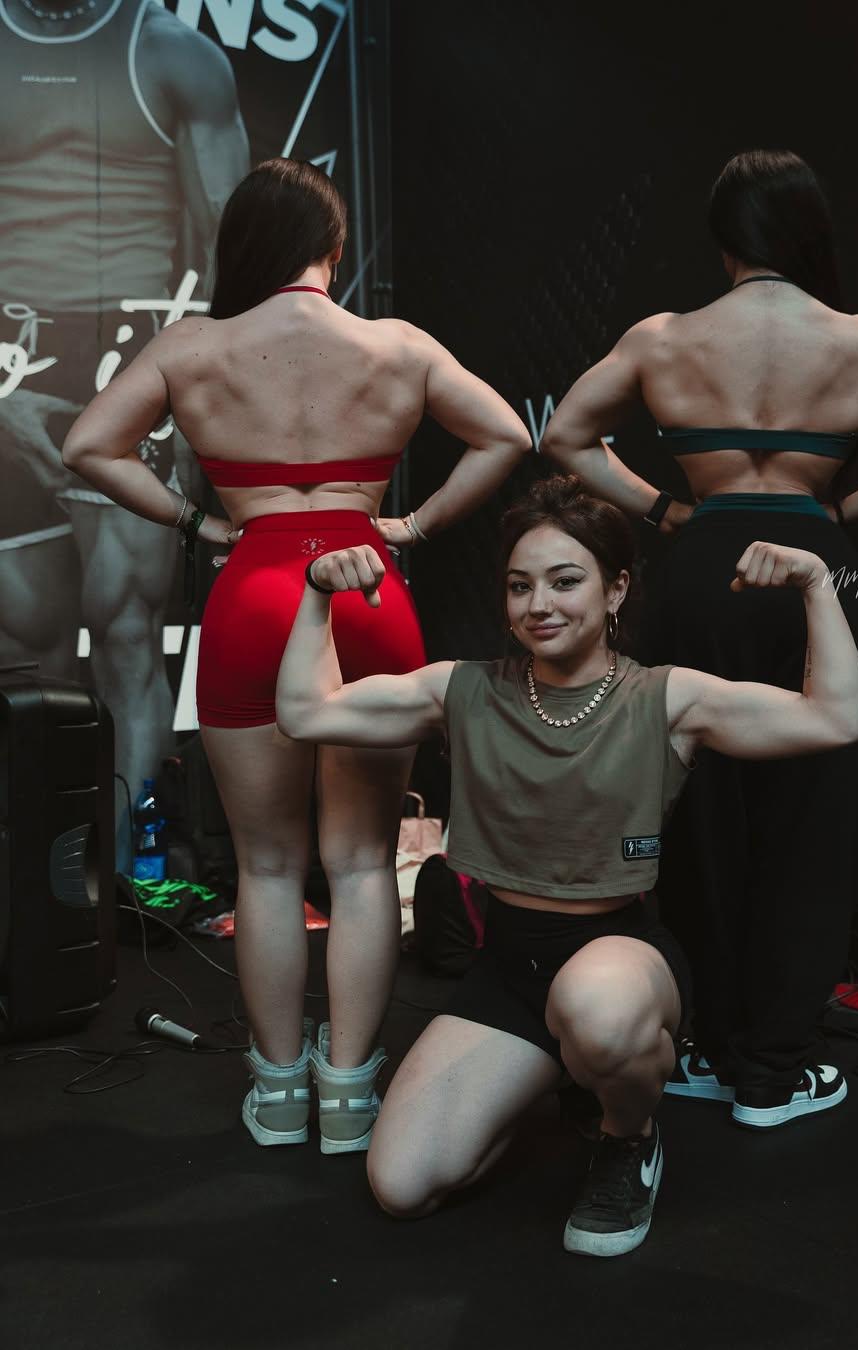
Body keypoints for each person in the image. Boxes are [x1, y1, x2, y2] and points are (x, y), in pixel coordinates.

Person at [60, 157, 533, 1153]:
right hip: (369, 592)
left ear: (245, 246)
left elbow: (88, 447)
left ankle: (278, 1095)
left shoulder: (195, 347)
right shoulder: (396, 344)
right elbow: (503, 434)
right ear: (333, 248)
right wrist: (411, 526)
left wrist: (197, 521)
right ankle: (350, 1097)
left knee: (269, 867)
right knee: (360, 862)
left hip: (256, 591)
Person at [274, 473, 858, 1256]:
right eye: (520, 586)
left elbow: (838, 718)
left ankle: (628, 1136)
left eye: (564, 581)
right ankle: (557, 1075)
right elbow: (305, 711)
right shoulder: (461, 690)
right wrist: (317, 595)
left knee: (596, 1008)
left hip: (619, 960)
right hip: (508, 971)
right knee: (403, 1185)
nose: (539, 604)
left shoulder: (667, 699)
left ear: (615, 589)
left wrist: (818, 585)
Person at [539, 149, 858, 1129]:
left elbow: (564, 436)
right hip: (818, 571)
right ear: (808, 229)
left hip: (704, 570)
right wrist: (840, 511)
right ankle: (773, 1072)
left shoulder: (664, 337)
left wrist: (665, 509)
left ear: (723, 238)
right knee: (818, 814)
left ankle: (701, 1045)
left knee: (696, 808)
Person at [0, 0, 250, 835]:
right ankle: (39, 881)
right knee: (22, 642)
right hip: (4, 350)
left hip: (129, 353)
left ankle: (128, 880)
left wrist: (190, 386)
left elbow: (233, 251)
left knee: (129, 635)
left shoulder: (171, 51)